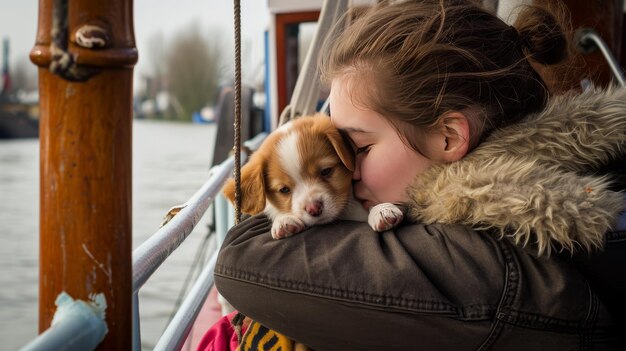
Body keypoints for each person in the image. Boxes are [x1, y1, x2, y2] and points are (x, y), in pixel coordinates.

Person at [207, 0, 626, 349]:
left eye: (358, 147)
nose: (347, 170)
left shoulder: (486, 257)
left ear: (447, 137)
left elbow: (242, 259)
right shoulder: (571, 179)